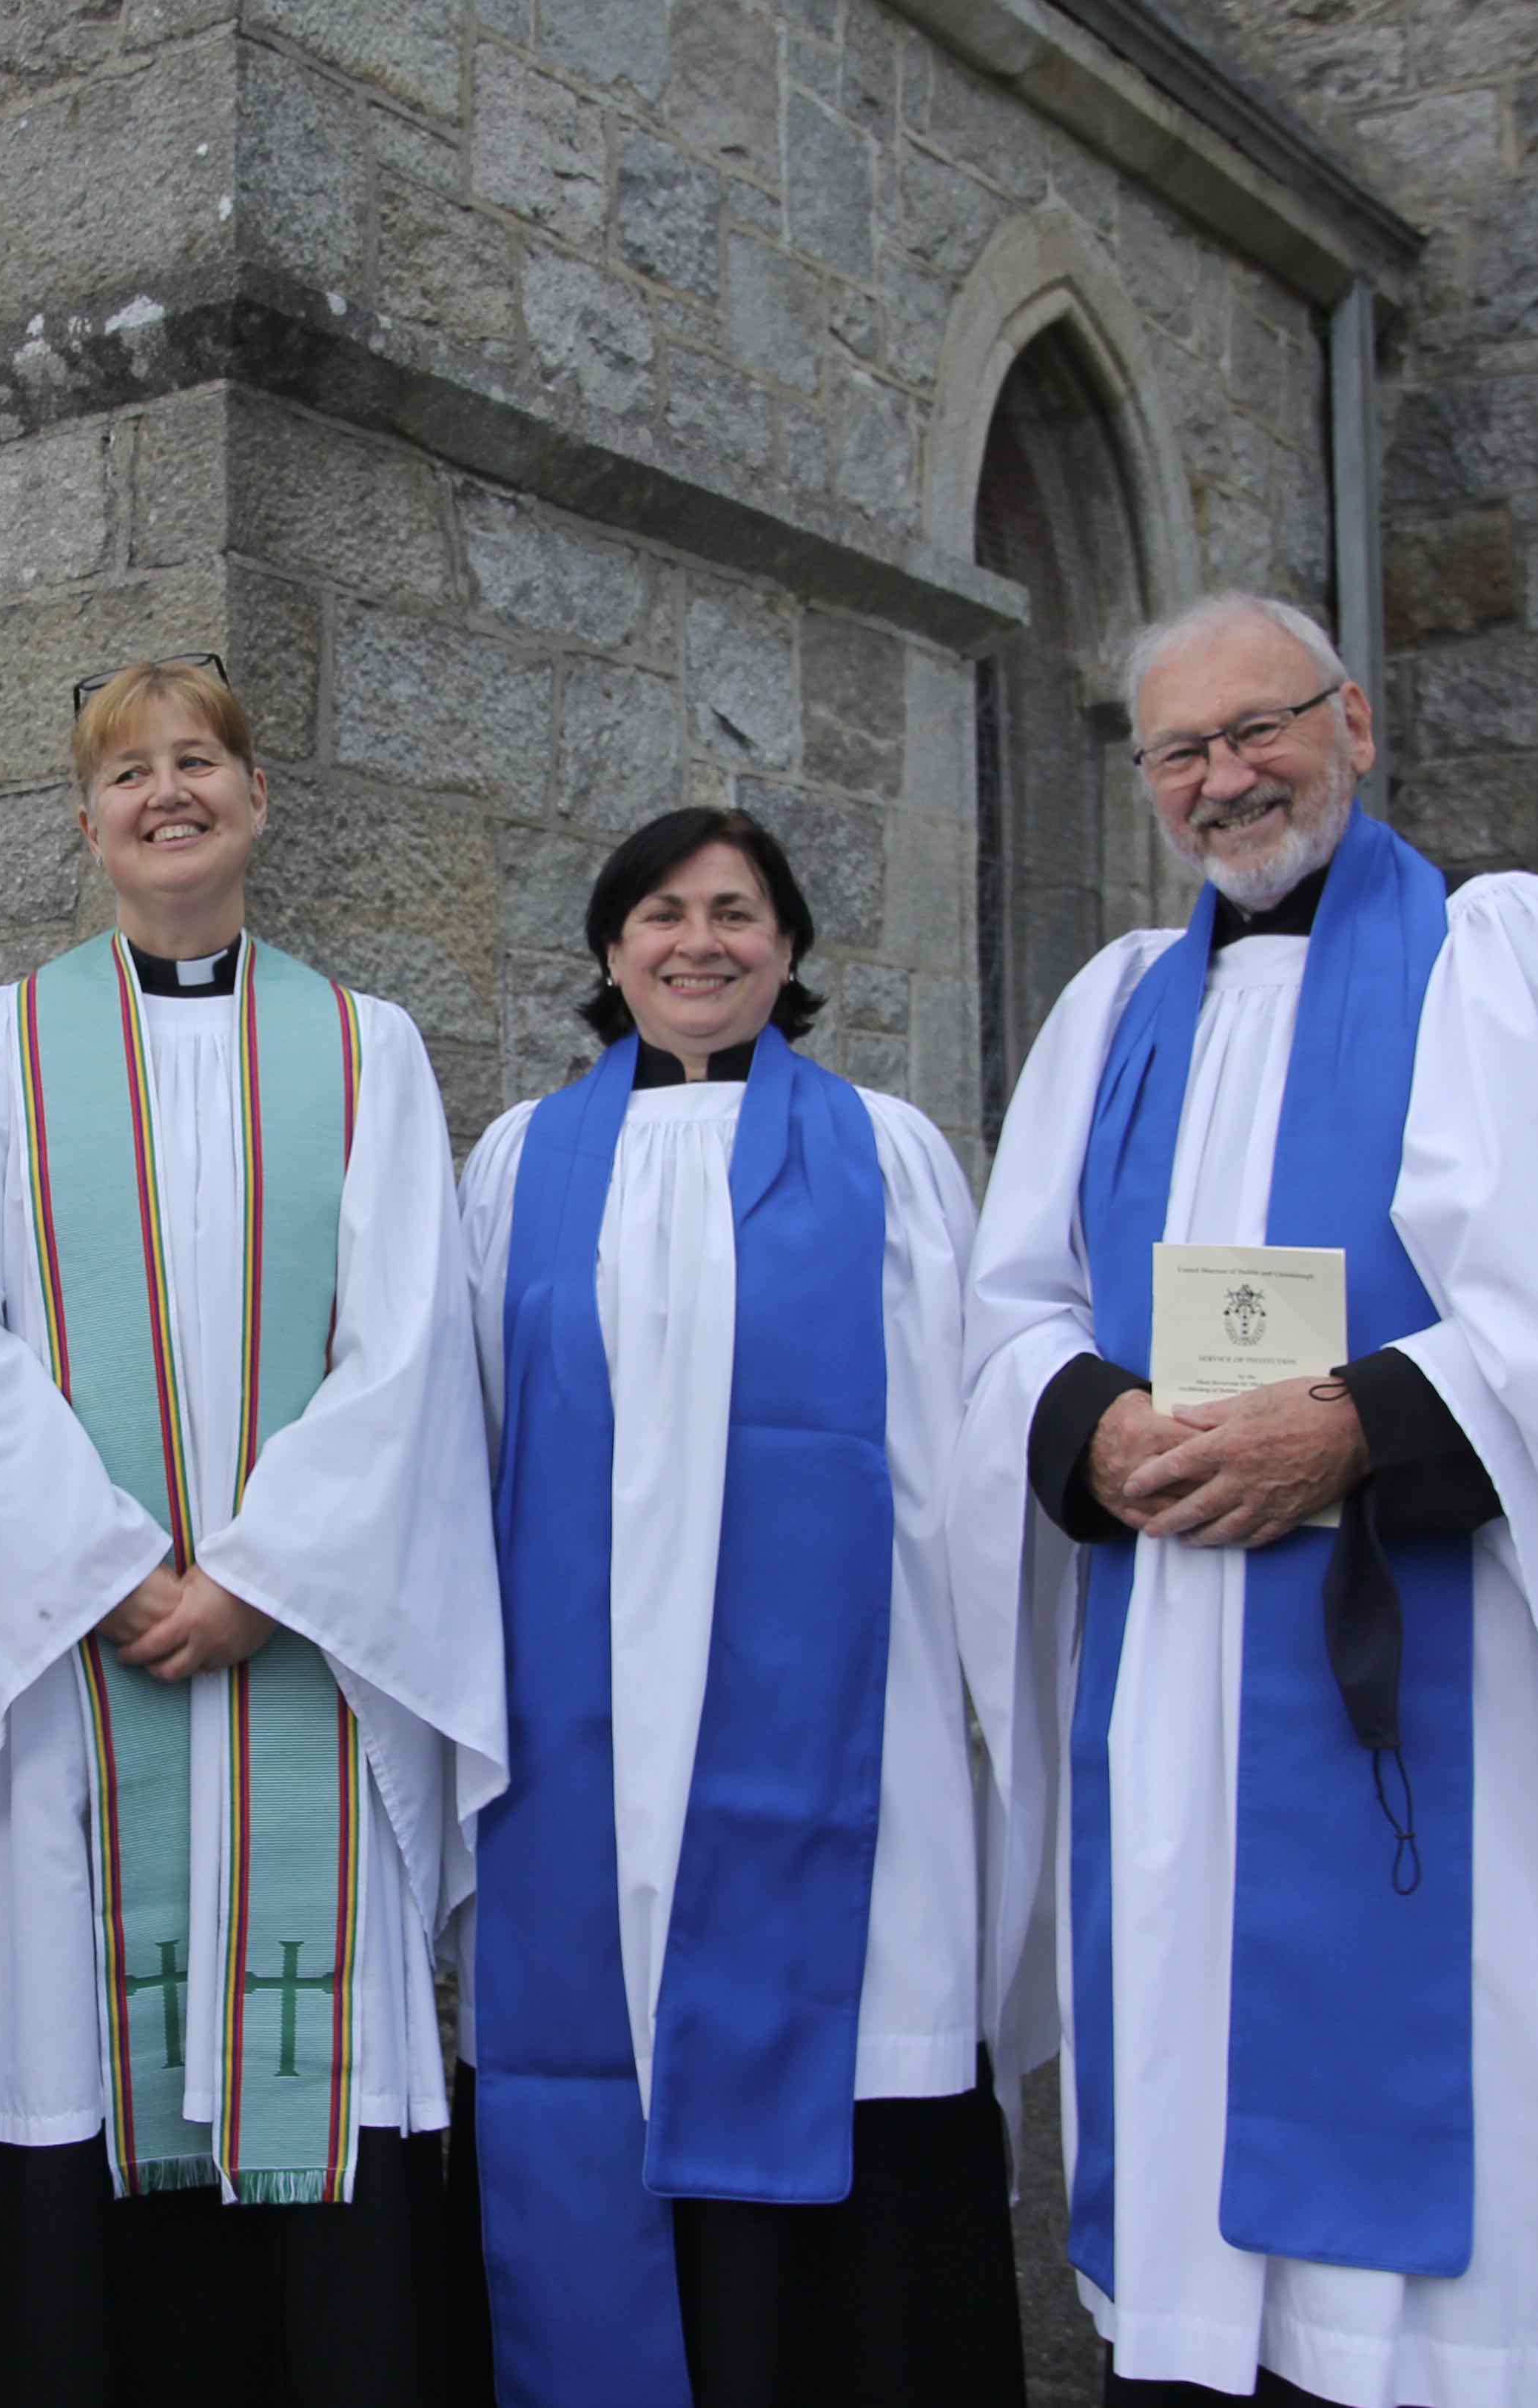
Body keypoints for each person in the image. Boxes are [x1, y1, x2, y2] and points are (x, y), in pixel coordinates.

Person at [956, 591, 1538, 2407]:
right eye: (1181, 752)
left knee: (1485, 2175)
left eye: (1259, 728)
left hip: (1445, 1694)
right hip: (1180, 1688)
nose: (1226, 778)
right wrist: (1091, 1423)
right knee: (1202, 2156)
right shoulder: (1110, 1012)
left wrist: (1351, 1425)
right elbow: (1009, 1312)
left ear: (1352, 723)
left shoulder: (1497, 960)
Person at [0, 653, 506, 2408]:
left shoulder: (365, 1043)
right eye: (128, 770)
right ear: (83, 821)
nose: (168, 791)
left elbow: (405, 1349)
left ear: (255, 798)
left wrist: (253, 1575)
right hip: (71, 1656)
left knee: (311, 2035)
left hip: (295, 1644)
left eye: (200, 760)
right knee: (57, 2028)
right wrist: (101, 1565)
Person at [452, 805, 1021, 2407]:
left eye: (735, 911)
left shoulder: (889, 1155)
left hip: (843, 1731)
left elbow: (958, 1454)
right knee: (595, 2062)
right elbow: (470, 1443)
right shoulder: (516, 1163)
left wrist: (962, 1695)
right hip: (584, 1741)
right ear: (606, 948)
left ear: (787, 949)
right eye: (659, 912)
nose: (696, 940)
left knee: (851, 2052)